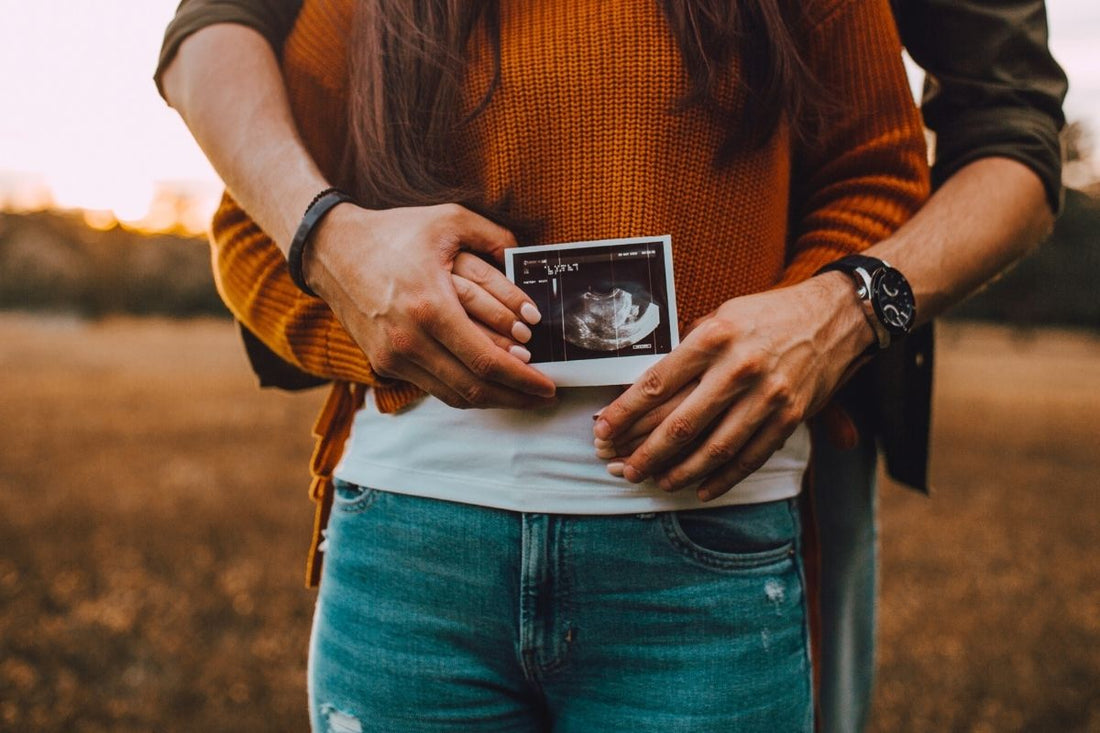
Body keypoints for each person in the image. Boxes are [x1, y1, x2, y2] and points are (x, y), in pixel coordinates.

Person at [157, 0, 1066, 730]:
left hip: (706, 553)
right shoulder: (354, 16)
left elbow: (879, 168)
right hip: (410, 552)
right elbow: (255, 219)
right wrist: (369, 308)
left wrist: (818, 316)